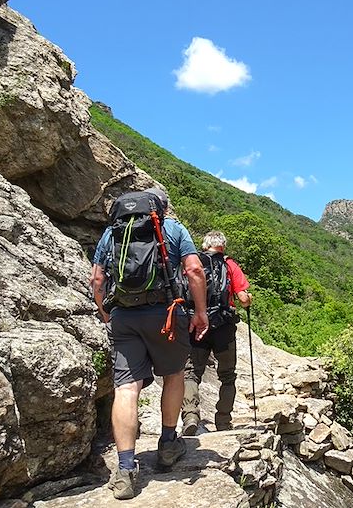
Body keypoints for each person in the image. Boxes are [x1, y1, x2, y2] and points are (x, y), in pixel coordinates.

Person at [90, 187, 209, 500]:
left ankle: (126, 468)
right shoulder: (172, 228)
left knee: (127, 388)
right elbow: (194, 270)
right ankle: (169, 445)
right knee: (173, 376)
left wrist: (105, 312)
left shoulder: (113, 232)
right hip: (166, 314)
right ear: (163, 207)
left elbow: (98, 279)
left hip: (124, 317)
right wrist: (200, 312)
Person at [182, 230, 252, 434]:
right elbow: (243, 298)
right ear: (223, 246)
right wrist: (248, 299)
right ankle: (223, 421)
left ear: (205, 245)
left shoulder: (194, 262)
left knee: (192, 373)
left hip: (197, 324)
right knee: (228, 376)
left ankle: (191, 416)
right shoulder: (230, 265)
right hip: (224, 326)